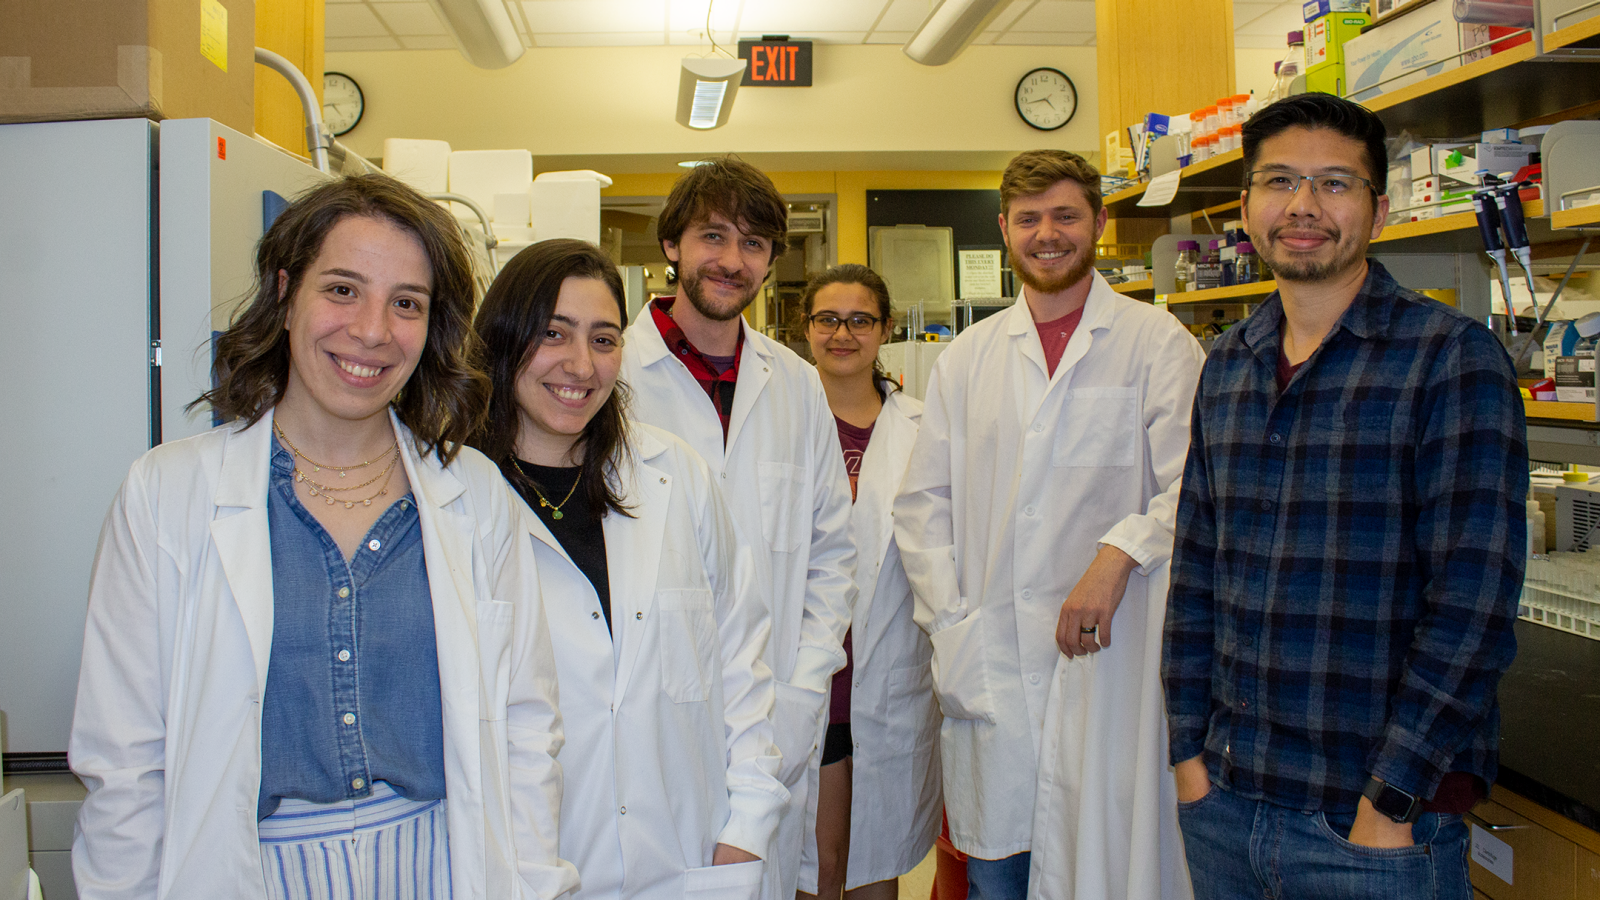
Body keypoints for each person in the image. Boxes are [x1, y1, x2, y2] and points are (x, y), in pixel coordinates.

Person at [69, 174, 576, 899]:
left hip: (445, 863)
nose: (372, 330)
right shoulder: (167, 495)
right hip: (247, 868)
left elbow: (528, 733)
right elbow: (125, 762)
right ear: (284, 294)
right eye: (342, 289)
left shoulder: (477, 498)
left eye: (407, 304)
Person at [1162, 93, 1529, 900]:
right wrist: (1186, 756)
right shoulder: (1228, 363)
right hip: (1226, 806)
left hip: (1371, 828)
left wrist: (1390, 800)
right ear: (1248, 207)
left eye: (1335, 183)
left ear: (1380, 208)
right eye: (1280, 181)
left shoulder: (1451, 362)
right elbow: (1195, 575)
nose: (1303, 206)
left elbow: (1474, 606)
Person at [894, 149, 1204, 900]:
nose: (1048, 234)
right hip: (993, 662)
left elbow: (1197, 488)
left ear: (1099, 222)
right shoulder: (967, 359)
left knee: (1104, 867)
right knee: (1000, 877)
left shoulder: (1157, 344)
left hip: (1112, 661)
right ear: (1005, 229)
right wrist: (954, 622)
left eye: (1066, 215)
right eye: (1029, 219)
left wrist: (1118, 553)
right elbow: (921, 504)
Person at [470, 239, 788, 900]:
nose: (580, 365)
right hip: (528, 864)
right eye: (552, 334)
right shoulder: (455, 499)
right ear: (502, 340)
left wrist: (748, 824)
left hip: (687, 854)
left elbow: (741, 656)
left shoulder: (673, 474)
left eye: (604, 338)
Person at [618, 156, 855, 900]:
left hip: (777, 707)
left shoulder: (793, 383)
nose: (731, 260)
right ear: (672, 246)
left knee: (761, 879)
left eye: (753, 245)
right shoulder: (611, 377)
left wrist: (805, 681)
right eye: (712, 236)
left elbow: (831, 552)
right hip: (647, 711)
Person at [797, 266, 941, 900]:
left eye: (860, 320)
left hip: (889, 679)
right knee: (814, 867)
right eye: (827, 318)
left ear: (885, 329)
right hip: (808, 680)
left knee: (876, 869)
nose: (843, 333)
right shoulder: (781, 421)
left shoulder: (923, 427)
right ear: (805, 329)